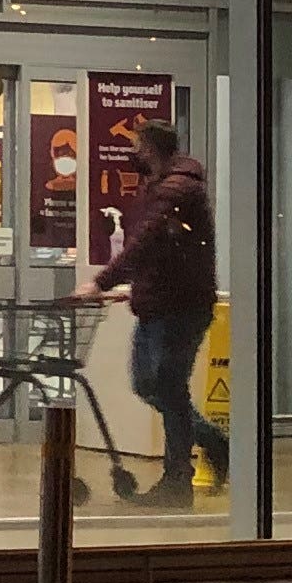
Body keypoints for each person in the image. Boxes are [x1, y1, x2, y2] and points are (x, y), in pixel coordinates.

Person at [92, 116, 230, 507]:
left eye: (137, 145)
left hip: (180, 307)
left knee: (168, 387)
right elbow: (161, 249)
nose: (132, 152)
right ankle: (212, 441)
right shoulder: (158, 185)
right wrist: (133, 287)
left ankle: (177, 481)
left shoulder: (176, 188)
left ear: (150, 148)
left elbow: (147, 241)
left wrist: (101, 282)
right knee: (147, 385)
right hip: (159, 303)